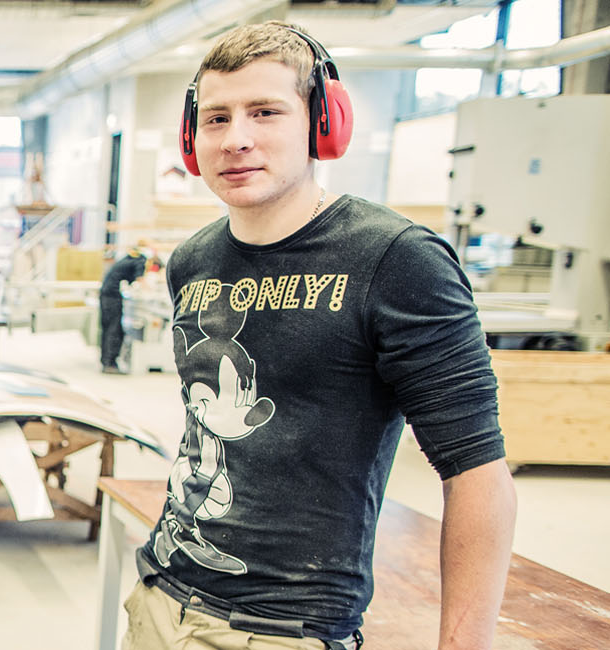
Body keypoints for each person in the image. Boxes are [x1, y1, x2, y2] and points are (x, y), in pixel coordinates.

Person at [124, 22, 516, 650]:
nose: (237, 138)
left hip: (284, 629)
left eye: (265, 112)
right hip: (159, 597)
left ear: (323, 123)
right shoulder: (193, 260)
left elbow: (476, 472)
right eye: (217, 118)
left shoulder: (394, 260)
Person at [99, 244, 150, 374]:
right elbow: (141, 280)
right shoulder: (141, 260)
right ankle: (110, 363)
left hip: (106, 294)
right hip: (112, 296)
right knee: (114, 329)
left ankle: (106, 361)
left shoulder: (129, 258)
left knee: (108, 328)